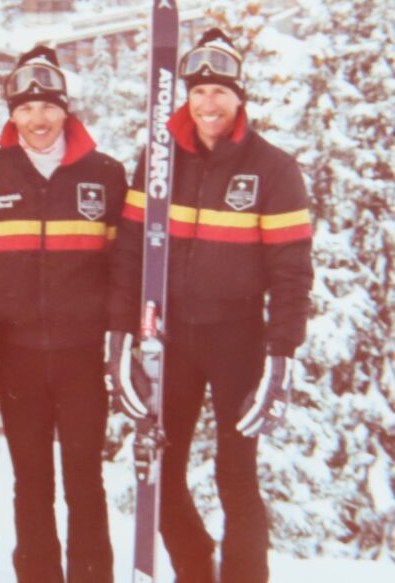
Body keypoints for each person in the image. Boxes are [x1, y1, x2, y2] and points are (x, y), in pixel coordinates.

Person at [105, 29, 314, 583]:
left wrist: (280, 356)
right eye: (198, 92)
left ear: (240, 97)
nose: (209, 104)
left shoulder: (273, 169)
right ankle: (196, 569)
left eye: (220, 92)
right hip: (170, 340)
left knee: (235, 474)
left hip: (236, 338)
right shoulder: (158, 161)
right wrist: (120, 339)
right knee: (161, 470)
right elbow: (130, 252)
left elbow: (291, 273)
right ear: (186, 98)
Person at [0, 45, 123, 583]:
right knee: (31, 482)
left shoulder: (104, 175)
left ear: (65, 108)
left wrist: (123, 345)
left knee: (86, 479)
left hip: (81, 358)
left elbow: (127, 269)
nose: (37, 120)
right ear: (11, 115)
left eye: (47, 107)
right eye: (25, 109)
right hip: (16, 357)